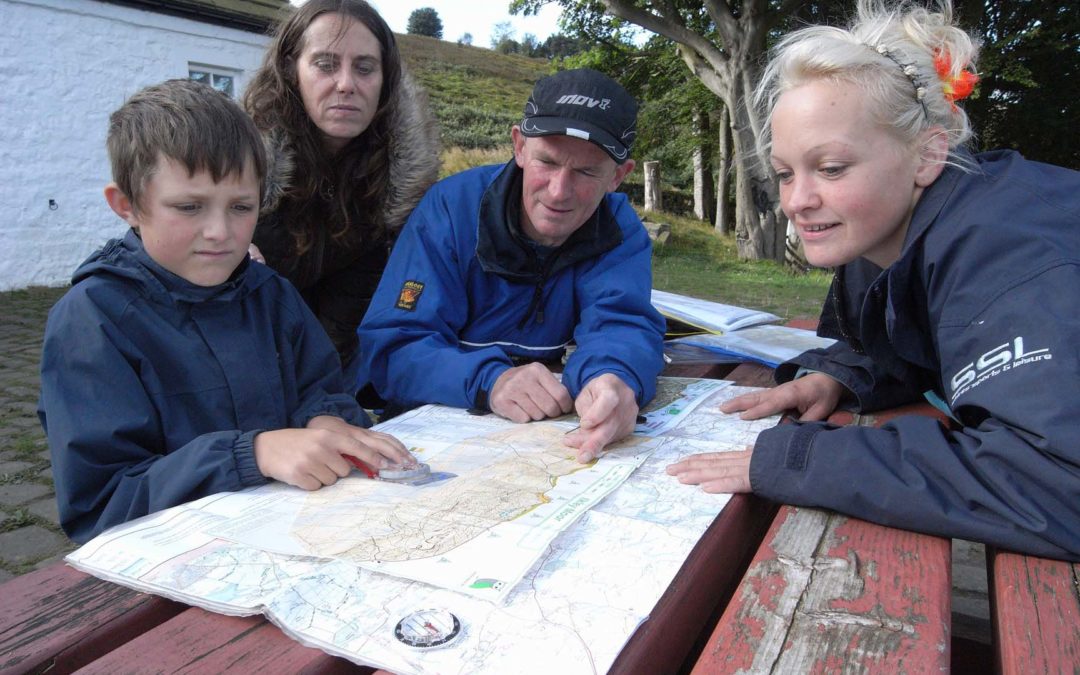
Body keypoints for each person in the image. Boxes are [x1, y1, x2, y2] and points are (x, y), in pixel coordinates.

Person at [668, 0, 1080, 561]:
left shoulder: (1013, 254)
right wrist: (842, 374)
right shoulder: (890, 236)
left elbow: (1057, 482)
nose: (797, 201)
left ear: (928, 153)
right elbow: (925, 339)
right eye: (786, 173)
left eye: (831, 168)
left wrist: (804, 459)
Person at [38, 80, 414, 544]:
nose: (220, 232)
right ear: (127, 205)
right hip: (173, 569)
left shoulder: (272, 294)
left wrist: (327, 421)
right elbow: (102, 504)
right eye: (190, 206)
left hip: (291, 538)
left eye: (241, 207)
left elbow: (321, 389)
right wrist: (251, 454)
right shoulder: (91, 322)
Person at [357, 68, 666, 463]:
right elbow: (393, 349)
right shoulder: (450, 210)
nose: (558, 192)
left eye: (587, 172)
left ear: (618, 176)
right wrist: (492, 380)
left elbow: (623, 323)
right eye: (548, 162)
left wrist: (613, 377)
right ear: (519, 147)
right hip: (432, 438)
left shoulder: (619, 227)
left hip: (541, 444)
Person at [243, 0, 440, 378]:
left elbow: (355, 308)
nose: (346, 84)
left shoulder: (402, 189)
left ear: (386, 80)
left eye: (365, 68)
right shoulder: (236, 167)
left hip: (340, 372)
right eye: (325, 64)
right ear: (291, 68)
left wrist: (323, 392)